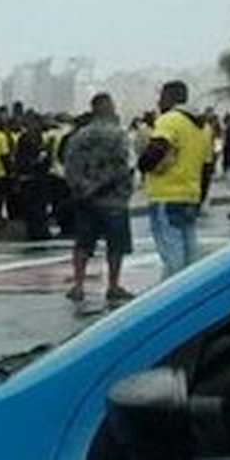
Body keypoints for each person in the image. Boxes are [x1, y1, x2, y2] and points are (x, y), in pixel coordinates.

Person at [61, 93, 136, 306]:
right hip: (114, 199)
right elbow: (125, 166)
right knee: (116, 245)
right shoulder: (120, 135)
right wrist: (104, 186)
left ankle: (78, 285)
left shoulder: (80, 136)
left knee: (83, 243)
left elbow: (70, 165)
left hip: (86, 200)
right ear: (110, 109)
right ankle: (113, 285)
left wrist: (81, 187)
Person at [141, 81, 207, 278]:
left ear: (169, 98)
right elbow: (207, 166)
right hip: (190, 194)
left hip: (166, 195)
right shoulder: (200, 126)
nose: (158, 101)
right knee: (190, 252)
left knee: (172, 256)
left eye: (161, 97)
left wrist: (142, 164)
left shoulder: (169, 120)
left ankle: (172, 298)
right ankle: (193, 291)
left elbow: (157, 149)